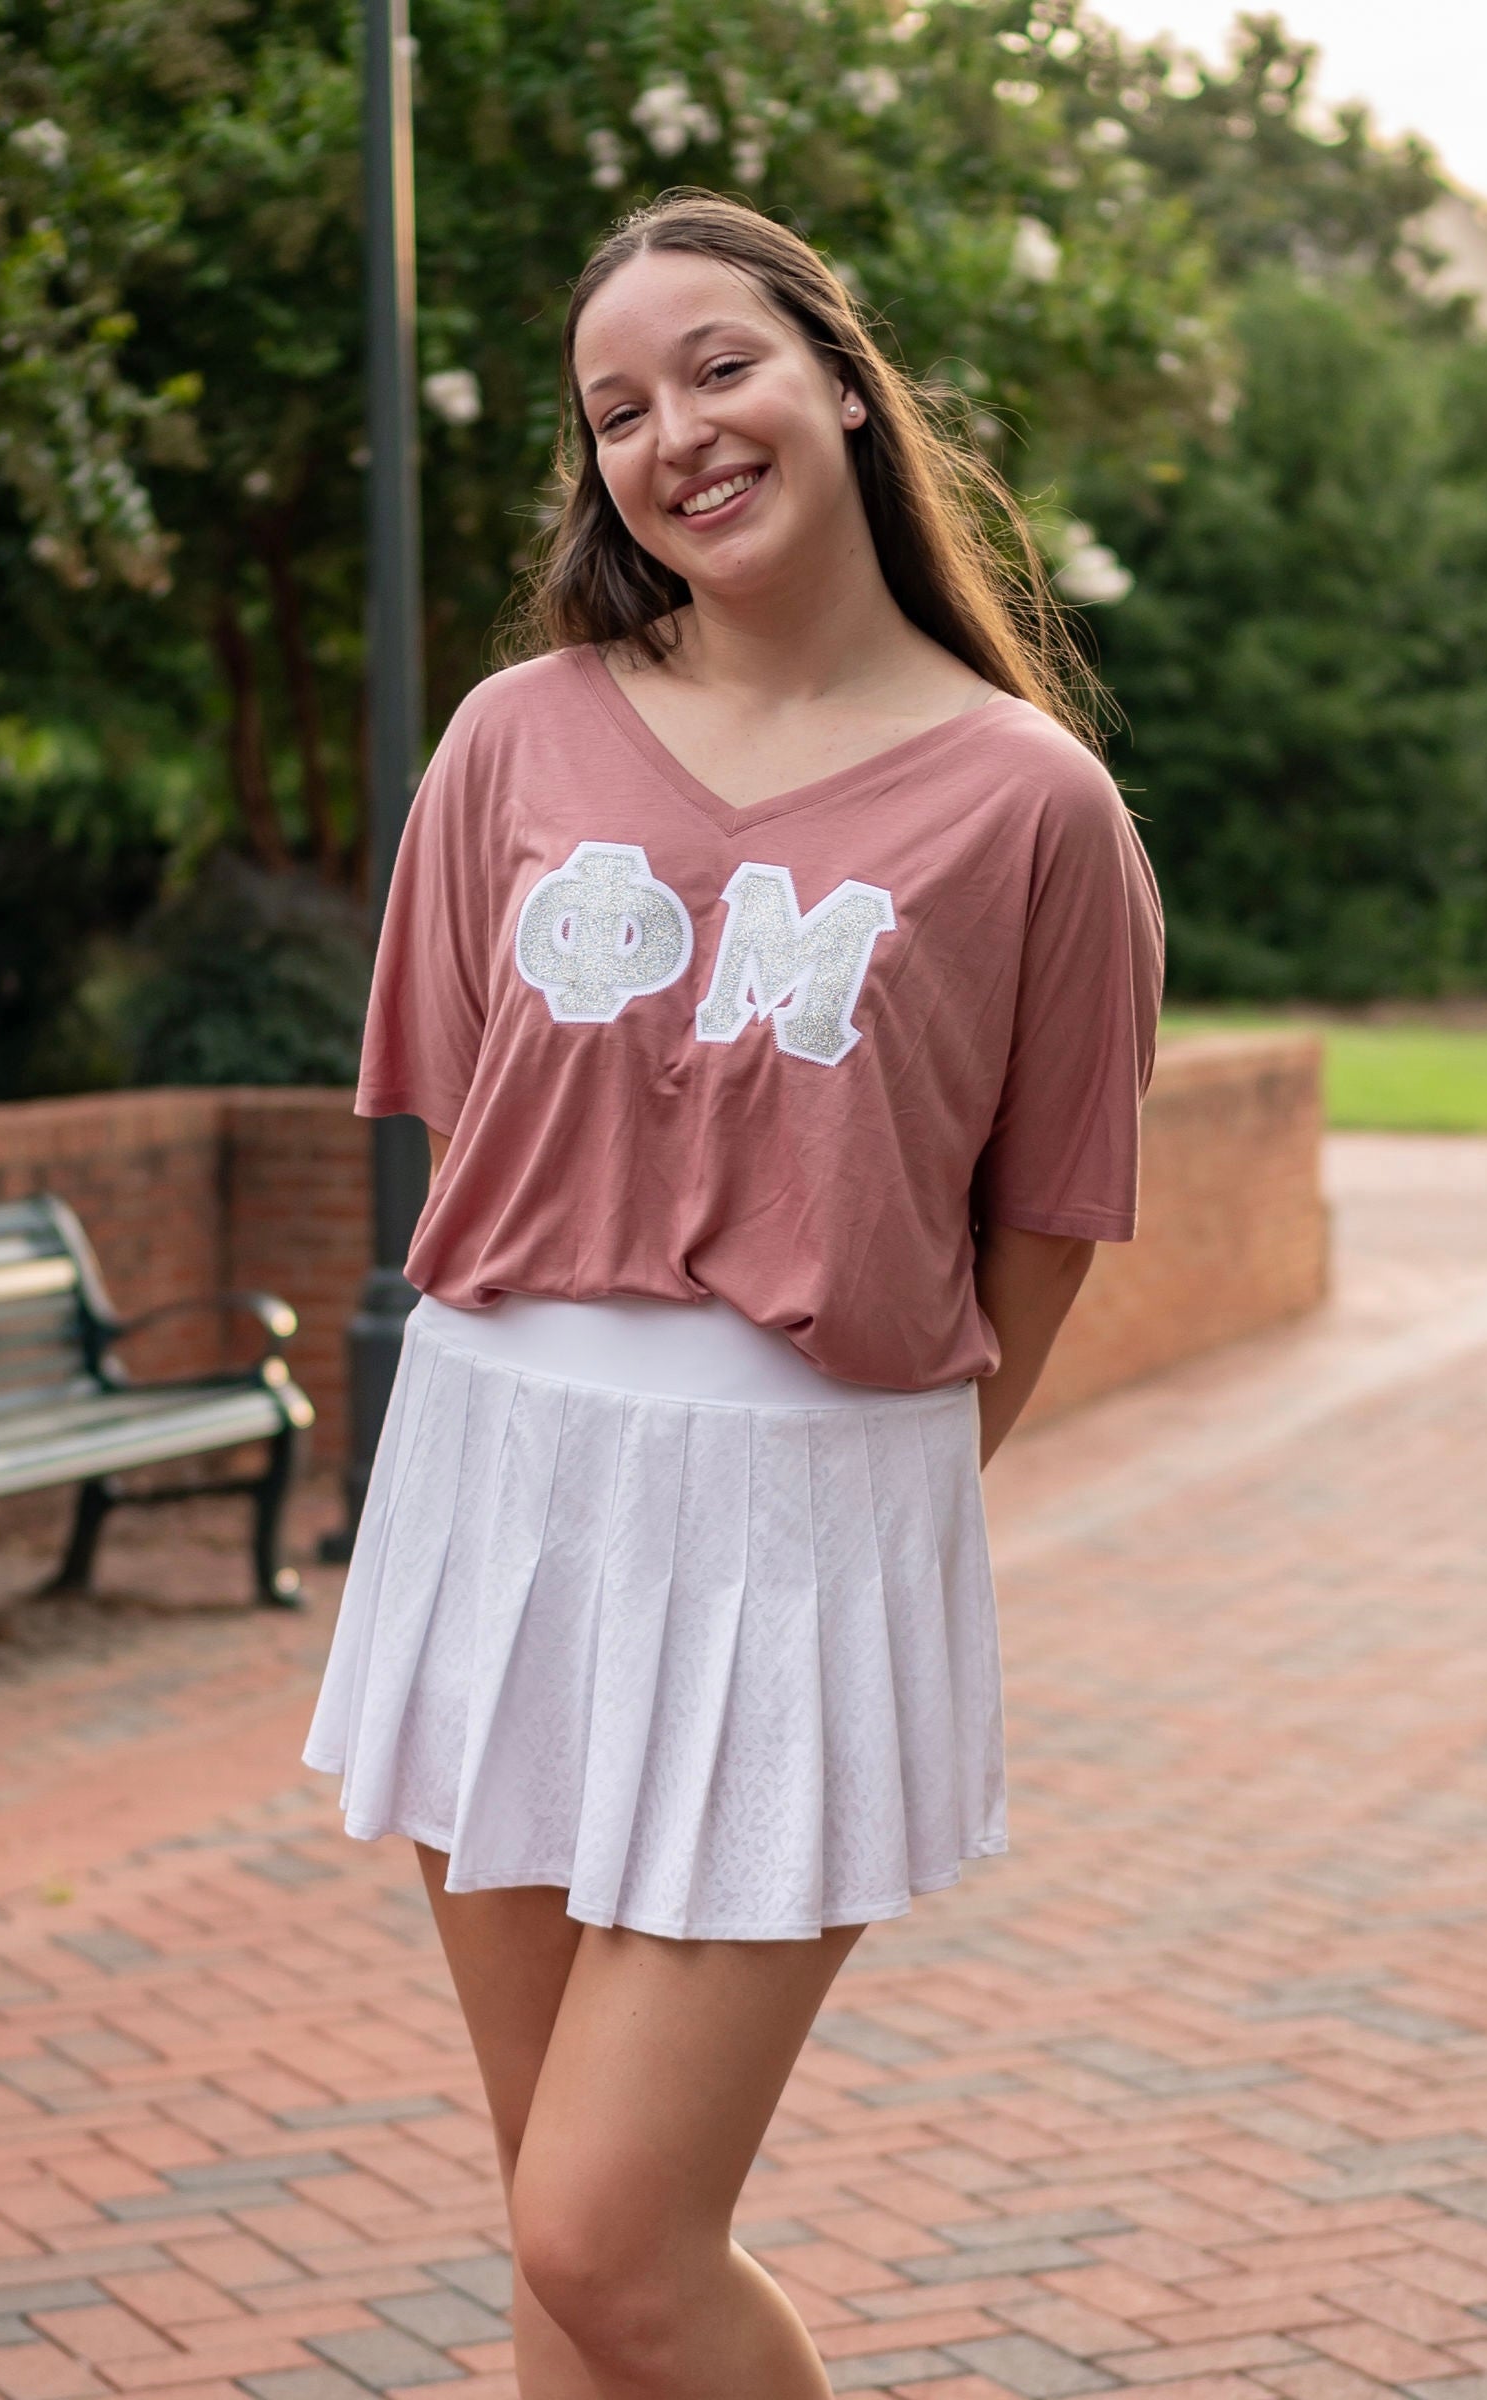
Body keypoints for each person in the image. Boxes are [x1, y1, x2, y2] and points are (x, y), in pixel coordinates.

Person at [305, 188, 1163, 2400]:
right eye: (615, 409)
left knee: (612, 2231)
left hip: (796, 1520)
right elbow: (466, 1116)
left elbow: (1045, 1226)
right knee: (558, 2234)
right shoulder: (511, 739)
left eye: (719, 365)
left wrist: (856, 1496)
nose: (672, 429)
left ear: (844, 382)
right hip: (505, 1492)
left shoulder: (1031, 803)